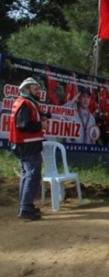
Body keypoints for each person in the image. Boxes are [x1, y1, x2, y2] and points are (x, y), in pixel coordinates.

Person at [9, 77, 50, 221]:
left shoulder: (26, 102)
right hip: (27, 145)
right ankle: (25, 209)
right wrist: (41, 125)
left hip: (25, 145)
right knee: (32, 176)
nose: (38, 91)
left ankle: (25, 206)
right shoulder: (25, 104)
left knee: (27, 175)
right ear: (26, 89)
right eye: (35, 88)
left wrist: (42, 117)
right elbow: (23, 125)